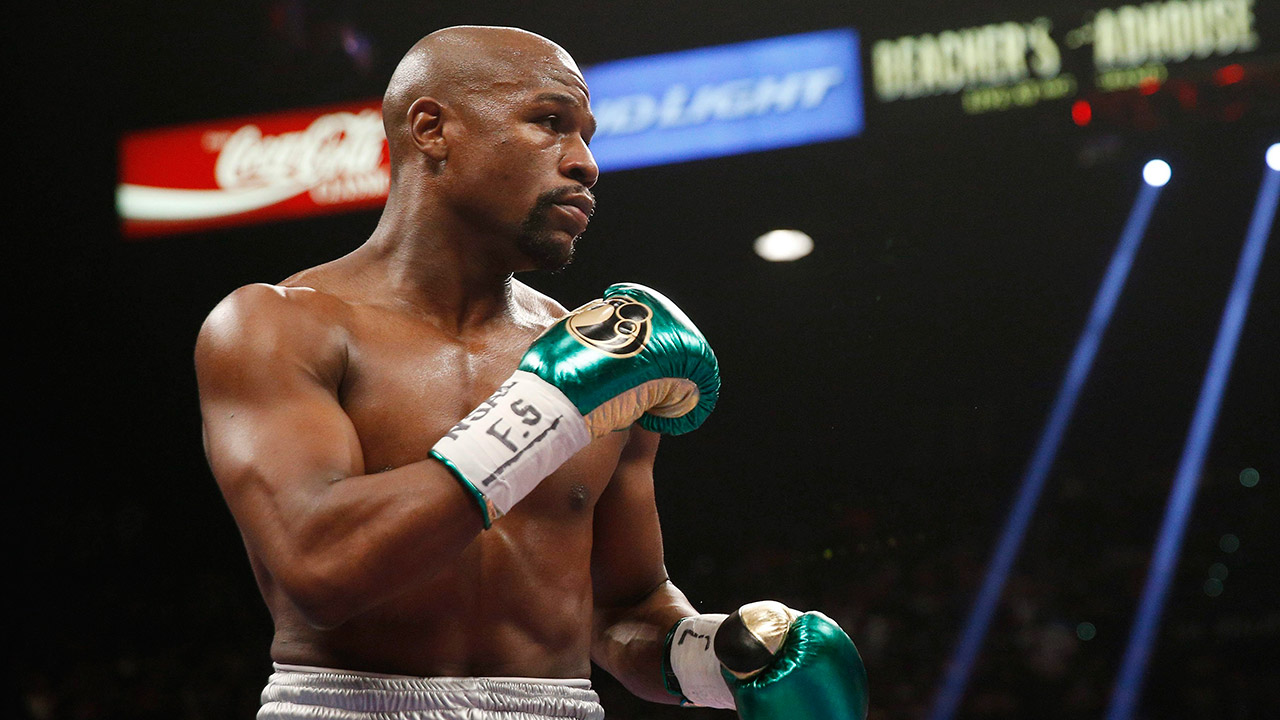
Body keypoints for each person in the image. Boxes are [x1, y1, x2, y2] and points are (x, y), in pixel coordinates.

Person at [195, 25, 866, 720]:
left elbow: (625, 609)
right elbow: (319, 568)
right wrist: (549, 408)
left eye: (587, 136)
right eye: (550, 122)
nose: (586, 164)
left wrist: (724, 659)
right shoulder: (278, 327)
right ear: (432, 129)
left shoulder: (604, 358)